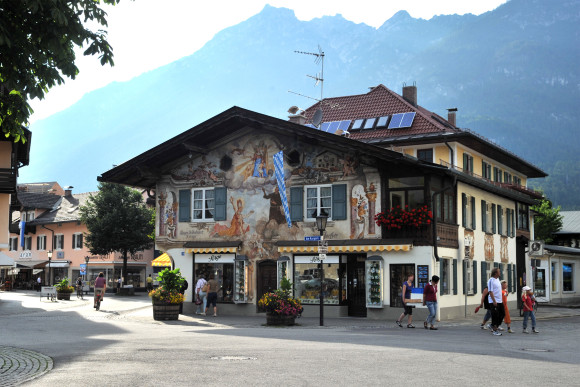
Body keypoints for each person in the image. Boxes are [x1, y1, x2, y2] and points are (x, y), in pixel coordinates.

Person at [487, 267, 504, 336]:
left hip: (500, 301)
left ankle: (493, 325)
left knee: (502, 314)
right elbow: (490, 291)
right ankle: (495, 330)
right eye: (499, 272)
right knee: (495, 316)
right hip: (494, 301)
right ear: (495, 273)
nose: (500, 273)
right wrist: (494, 301)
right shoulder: (491, 280)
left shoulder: (498, 280)